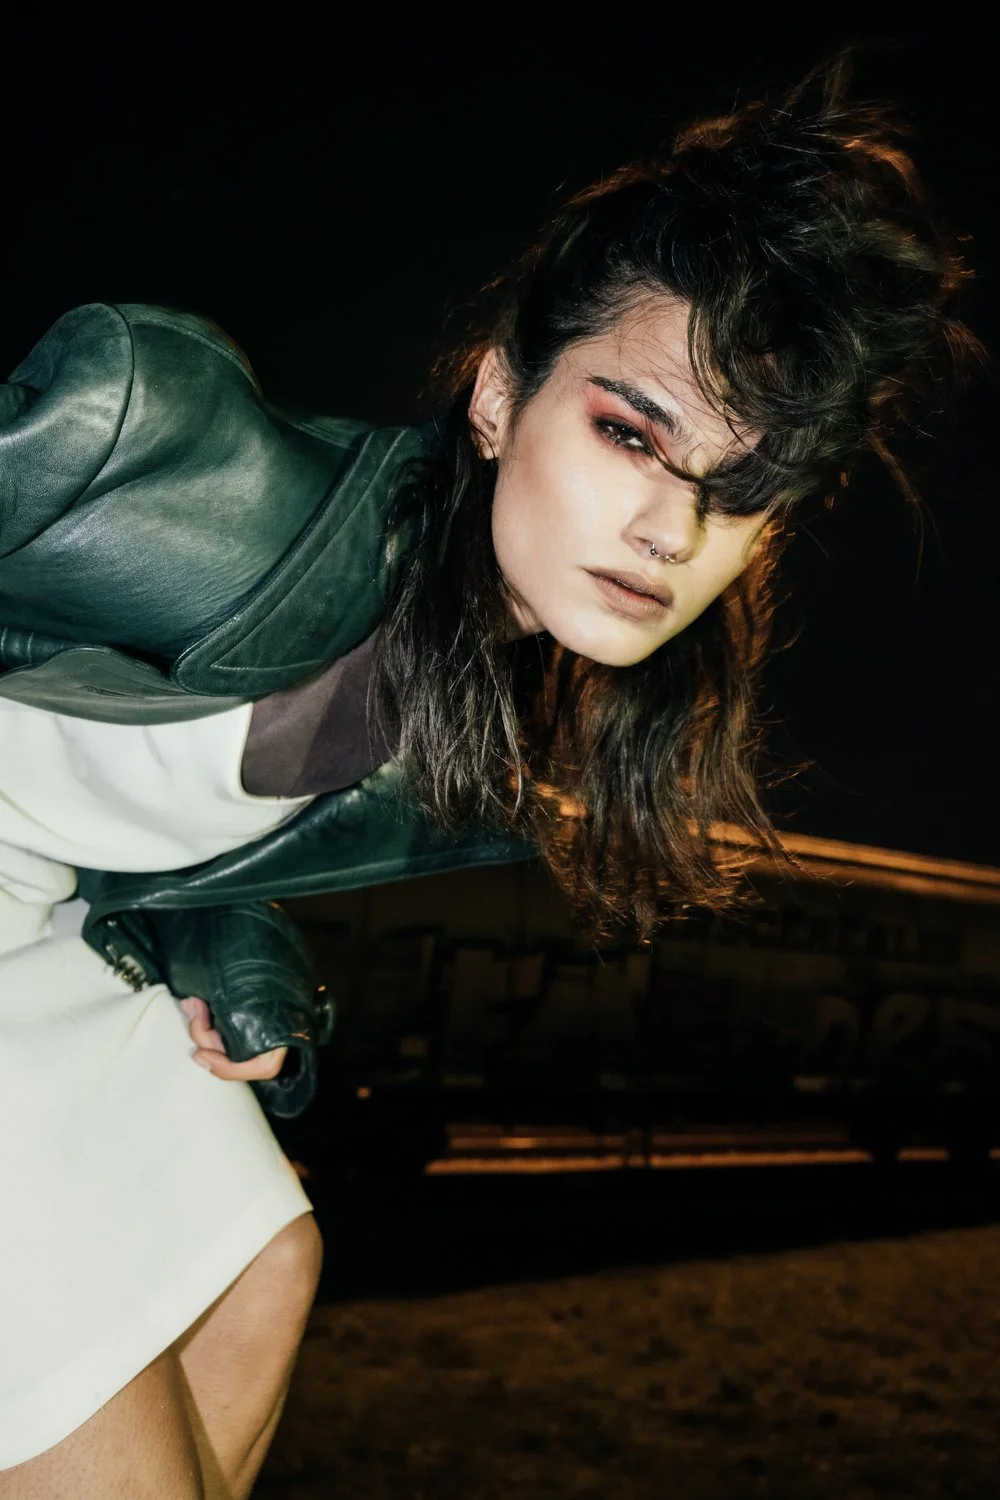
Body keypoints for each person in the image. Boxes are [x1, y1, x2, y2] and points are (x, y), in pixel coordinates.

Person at [0, 55, 973, 1495]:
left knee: (260, 1258)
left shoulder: (479, 717)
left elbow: (99, 787)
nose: (668, 528)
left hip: (39, 926)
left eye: (738, 494)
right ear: (498, 395)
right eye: (630, 432)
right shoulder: (178, 467)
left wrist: (210, 922)